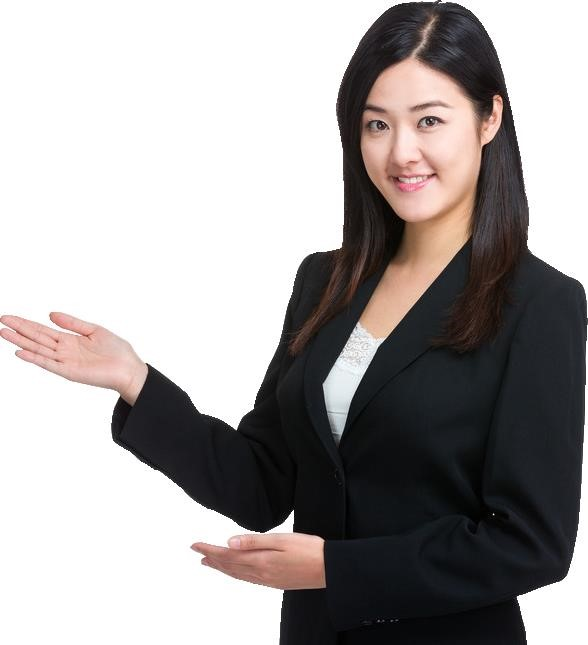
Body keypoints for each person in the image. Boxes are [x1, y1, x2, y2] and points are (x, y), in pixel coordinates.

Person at [1, 1, 586, 643]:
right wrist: (134, 380)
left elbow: (531, 543)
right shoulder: (325, 282)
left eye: (429, 120)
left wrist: (337, 570)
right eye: (377, 124)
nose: (401, 152)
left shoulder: (540, 305)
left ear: (489, 118)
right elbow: (263, 484)